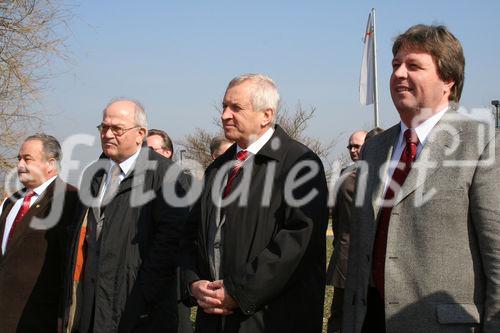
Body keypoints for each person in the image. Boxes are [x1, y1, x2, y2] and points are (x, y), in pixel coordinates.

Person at [342, 24, 500, 333]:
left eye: (413, 65)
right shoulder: (375, 148)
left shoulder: (483, 143)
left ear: (447, 80)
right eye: (395, 65)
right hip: (369, 321)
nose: (399, 73)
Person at [181, 74, 328, 333]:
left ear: (266, 115)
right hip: (215, 318)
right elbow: (194, 235)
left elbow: (297, 242)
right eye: (224, 106)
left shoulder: (299, 164)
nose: (225, 115)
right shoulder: (217, 168)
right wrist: (193, 283)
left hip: (273, 319)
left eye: (236, 108)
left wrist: (237, 291)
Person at [62, 99, 190, 333]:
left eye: (117, 129)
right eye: (104, 127)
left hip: (139, 313)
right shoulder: (95, 175)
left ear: (140, 133)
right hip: (92, 307)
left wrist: (140, 297)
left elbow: (170, 246)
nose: (108, 134)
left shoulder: (166, 176)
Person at [0, 134, 78, 332]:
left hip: (39, 317)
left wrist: (63, 315)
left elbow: (68, 263)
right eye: (19, 158)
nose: (20, 165)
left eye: (28, 159)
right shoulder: (11, 202)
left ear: (50, 163)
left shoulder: (70, 200)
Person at [146, 128, 194, 333]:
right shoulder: (137, 185)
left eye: (152, 150)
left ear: (168, 153)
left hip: (174, 274)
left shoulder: (184, 183)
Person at [326, 130, 367, 333]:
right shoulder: (345, 174)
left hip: (367, 255)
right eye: (350, 146)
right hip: (345, 250)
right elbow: (338, 215)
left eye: (356, 146)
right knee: (340, 309)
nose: (352, 150)